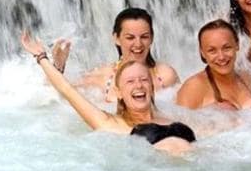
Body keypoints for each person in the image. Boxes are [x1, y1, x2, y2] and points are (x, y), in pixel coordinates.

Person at [21, 32, 195, 155]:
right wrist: (41, 57)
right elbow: (67, 90)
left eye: (143, 80)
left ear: (152, 86)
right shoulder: (109, 123)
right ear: (119, 92)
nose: (139, 85)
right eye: (130, 81)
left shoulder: (174, 116)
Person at [51, 7, 179, 102]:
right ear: (116, 38)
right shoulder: (101, 77)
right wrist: (58, 68)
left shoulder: (166, 75)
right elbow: (57, 96)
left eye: (144, 37)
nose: (138, 44)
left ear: (151, 38)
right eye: (130, 38)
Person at [175, 19, 251, 110]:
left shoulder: (246, 78)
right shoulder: (193, 87)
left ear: (237, 45)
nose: (221, 57)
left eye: (227, 48)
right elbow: (180, 122)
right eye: (212, 51)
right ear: (202, 53)